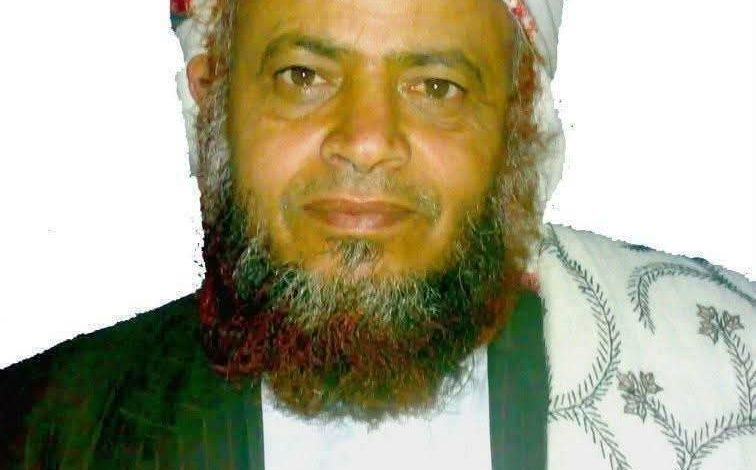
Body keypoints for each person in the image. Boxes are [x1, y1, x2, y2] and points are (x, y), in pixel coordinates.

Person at [1, 0, 753, 469]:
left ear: (518, 119)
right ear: (210, 98)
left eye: (435, 87)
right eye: (303, 76)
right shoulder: (38, 432)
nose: (365, 142)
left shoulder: (728, 377)